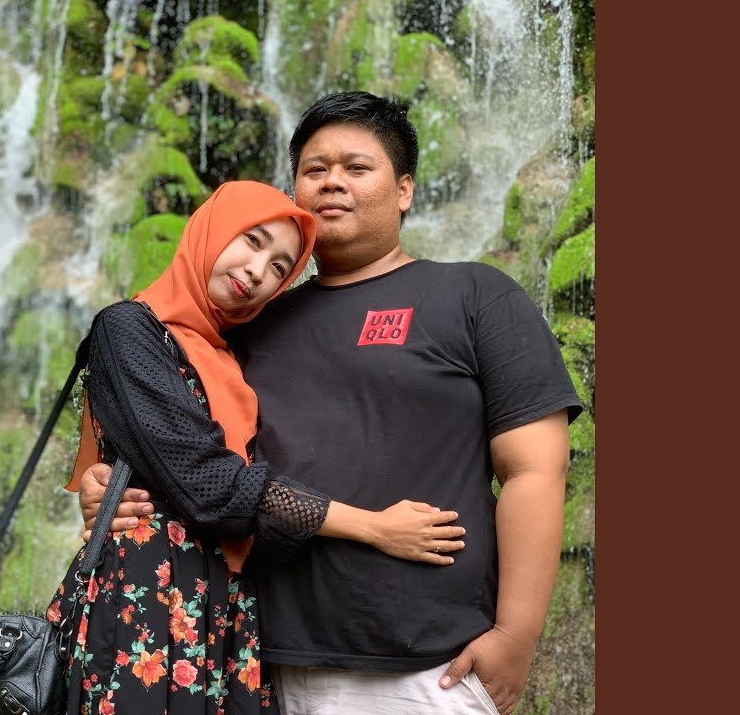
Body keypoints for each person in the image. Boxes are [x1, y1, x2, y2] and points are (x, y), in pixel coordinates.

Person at [76, 92, 584, 715]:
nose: (332, 182)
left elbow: (534, 467)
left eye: (356, 167)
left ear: (404, 189)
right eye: (314, 169)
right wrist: (111, 486)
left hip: (428, 667)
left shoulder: (474, 295)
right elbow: (194, 458)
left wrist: (515, 635)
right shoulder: (246, 322)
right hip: (250, 664)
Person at [46, 179, 467, 715]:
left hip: (230, 611)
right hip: (146, 606)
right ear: (212, 228)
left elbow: (256, 477)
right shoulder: (129, 328)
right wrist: (374, 528)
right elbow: (212, 486)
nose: (256, 270)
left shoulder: (234, 355)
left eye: (278, 267)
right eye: (252, 240)